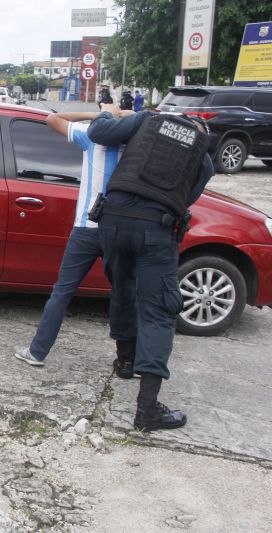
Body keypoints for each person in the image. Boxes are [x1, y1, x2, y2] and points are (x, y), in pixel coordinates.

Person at [87, 103, 214, 432]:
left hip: (111, 221)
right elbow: (188, 195)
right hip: (155, 230)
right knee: (159, 311)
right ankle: (147, 411)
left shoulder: (146, 120)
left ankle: (126, 361)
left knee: (123, 290)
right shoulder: (201, 153)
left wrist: (108, 112)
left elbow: (97, 132)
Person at [14, 110, 136, 373]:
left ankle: (37, 351)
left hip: (86, 228)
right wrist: (128, 115)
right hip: (119, 230)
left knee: (62, 292)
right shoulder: (137, 142)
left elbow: (52, 119)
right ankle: (128, 361)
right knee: (124, 294)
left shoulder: (91, 137)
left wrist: (98, 113)